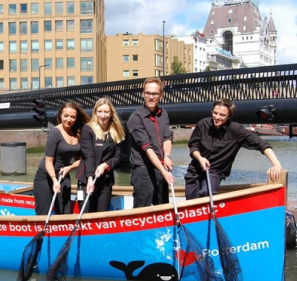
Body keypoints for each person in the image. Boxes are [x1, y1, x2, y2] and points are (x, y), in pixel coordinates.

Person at [184, 98, 282, 199]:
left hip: (215, 171)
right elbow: (193, 145)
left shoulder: (236, 130)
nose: (217, 117)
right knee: (191, 201)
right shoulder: (203, 124)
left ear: (229, 116)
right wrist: (200, 158)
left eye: (222, 115)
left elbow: (261, 144)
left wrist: (276, 164)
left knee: (206, 192)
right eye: (215, 113)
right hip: (195, 169)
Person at [33, 102, 90, 215]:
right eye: (66, 116)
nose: (69, 119)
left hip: (63, 175)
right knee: (44, 212)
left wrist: (70, 167)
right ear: (60, 115)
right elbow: (48, 161)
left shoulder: (77, 133)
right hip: (46, 177)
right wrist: (54, 180)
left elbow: (81, 159)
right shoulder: (55, 133)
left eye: (73, 117)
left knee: (65, 212)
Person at [127, 77, 174, 208]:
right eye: (148, 93)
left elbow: (167, 137)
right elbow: (147, 147)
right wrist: (165, 173)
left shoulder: (163, 113)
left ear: (161, 95)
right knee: (143, 210)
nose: (151, 97)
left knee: (163, 208)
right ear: (143, 94)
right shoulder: (135, 118)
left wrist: (167, 156)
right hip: (143, 170)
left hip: (160, 167)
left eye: (155, 94)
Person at [76, 97, 125, 212]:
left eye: (106, 112)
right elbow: (89, 155)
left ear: (111, 113)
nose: (103, 115)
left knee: (102, 213)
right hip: (86, 179)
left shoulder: (115, 131)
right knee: (86, 212)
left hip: (105, 181)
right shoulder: (88, 130)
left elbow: (118, 157)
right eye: (100, 112)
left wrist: (106, 165)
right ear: (95, 113)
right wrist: (89, 178)